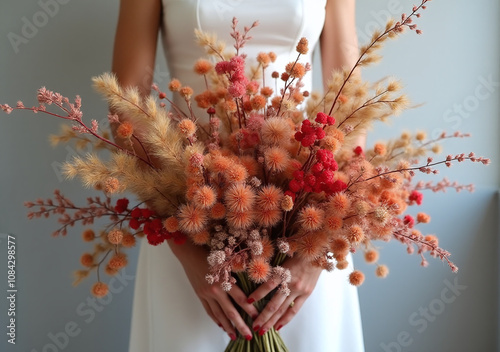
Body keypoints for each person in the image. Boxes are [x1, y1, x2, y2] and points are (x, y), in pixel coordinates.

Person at [112, 1, 365, 351]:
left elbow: (351, 103)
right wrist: (187, 254)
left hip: (304, 221)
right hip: (189, 218)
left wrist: (313, 253)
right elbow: (127, 108)